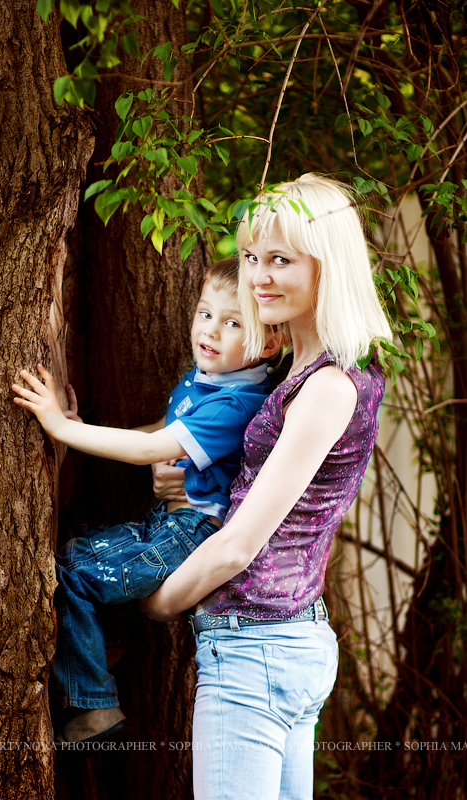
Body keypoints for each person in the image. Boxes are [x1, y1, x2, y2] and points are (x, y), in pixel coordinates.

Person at [140, 174, 392, 800]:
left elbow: (240, 547)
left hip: (256, 650)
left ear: (326, 265)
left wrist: (156, 603)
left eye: (281, 260)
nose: (258, 277)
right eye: (252, 256)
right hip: (285, 641)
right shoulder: (308, 369)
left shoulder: (326, 386)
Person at [11, 258, 283, 747]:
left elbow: (151, 449)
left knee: (70, 570)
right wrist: (78, 431)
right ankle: (98, 642)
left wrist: (58, 426)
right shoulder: (209, 379)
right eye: (205, 314)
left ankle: (94, 705)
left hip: (188, 536)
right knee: (78, 528)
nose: (211, 330)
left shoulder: (235, 404)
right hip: (168, 523)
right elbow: (161, 432)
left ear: (268, 343)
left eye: (233, 323)